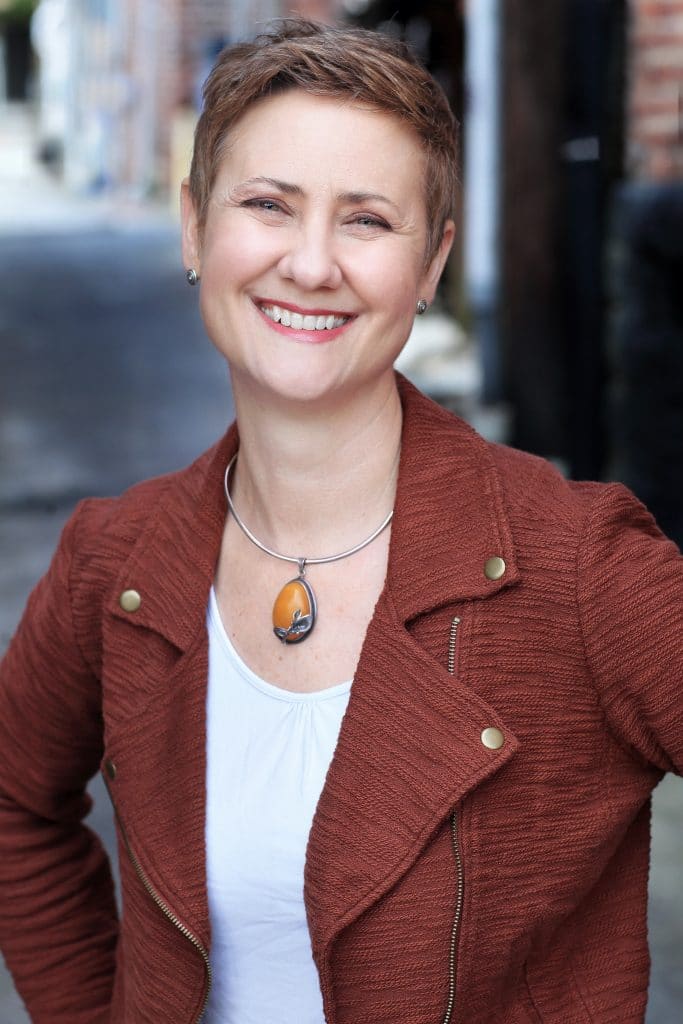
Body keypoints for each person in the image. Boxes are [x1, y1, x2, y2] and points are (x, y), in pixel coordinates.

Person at [0, 17, 681, 1024]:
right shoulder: (114, 560)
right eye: (268, 205)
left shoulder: (576, 565)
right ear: (194, 227)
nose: (311, 264)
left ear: (432, 260)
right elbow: (15, 807)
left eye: (366, 220)